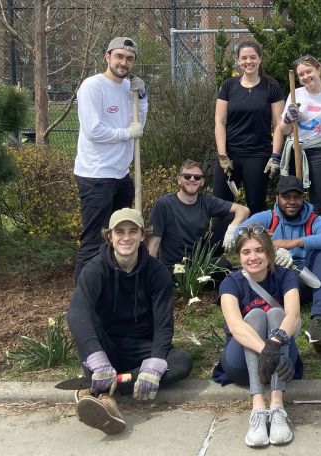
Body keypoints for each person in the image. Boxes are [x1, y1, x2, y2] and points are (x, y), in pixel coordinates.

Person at [67, 208, 193, 435]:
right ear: (110, 237)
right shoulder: (95, 270)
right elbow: (76, 313)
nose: (126, 238)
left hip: (140, 346)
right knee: (86, 322)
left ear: (143, 236)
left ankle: (101, 390)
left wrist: (155, 363)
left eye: (133, 231)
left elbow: (164, 324)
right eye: (119, 232)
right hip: (107, 346)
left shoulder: (157, 272)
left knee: (181, 361)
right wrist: (97, 357)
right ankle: (102, 384)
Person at [213, 226, 301, 447]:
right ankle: (258, 408)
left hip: (279, 363)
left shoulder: (286, 276)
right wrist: (269, 351)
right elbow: (235, 326)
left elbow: (294, 315)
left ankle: (277, 407)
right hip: (241, 362)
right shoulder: (231, 282)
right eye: (246, 252)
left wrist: (275, 343)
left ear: (270, 253)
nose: (253, 257)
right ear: (239, 256)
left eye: (259, 250)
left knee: (276, 313)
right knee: (253, 316)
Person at [73, 37, 148, 281]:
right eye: (119, 56)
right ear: (107, 57)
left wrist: (143, 98)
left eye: (129, 58)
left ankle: (111, 284)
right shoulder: (92, 86)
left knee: (119, 236)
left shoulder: (130, 88)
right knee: (95, 238)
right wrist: (126, 133)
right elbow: (94, 131)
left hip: (120, 175)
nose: (124, 62)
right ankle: (84, 297)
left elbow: (138, 124)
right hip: (96, 176)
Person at [236, 176, 321, 346]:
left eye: (297, 197)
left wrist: (296, 242)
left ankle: (317, 320)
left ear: (303, 198)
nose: (292, 201)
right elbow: (238, 234)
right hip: (278, 281)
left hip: (304, 280)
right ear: (277, 197)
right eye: (286, 197)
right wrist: (262, 238)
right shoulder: (269, 217)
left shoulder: (313, 219)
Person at [269, 54, 321, 223]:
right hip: (294, 151)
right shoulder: (295, 94)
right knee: (290, 202)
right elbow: (283, 129)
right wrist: (288, 118)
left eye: (308, 71)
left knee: (319, 204)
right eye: (301, 75)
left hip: (319, 153)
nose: (305, 77)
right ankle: (292, 240)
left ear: (319, 69)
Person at [214, 41, 285, 214]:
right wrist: (222, 155)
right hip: (230, 155)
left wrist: (275, 156)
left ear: (260, 59)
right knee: (220, 205)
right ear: (238, 61)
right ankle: (221, 240)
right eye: (244, 58)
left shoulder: (271, 86)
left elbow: (279, 125)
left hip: (258, 155)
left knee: (256, 204)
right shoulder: (228, 86)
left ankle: (256, 240)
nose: (248, 61)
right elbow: (219, 122)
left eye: (253, 57)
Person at [148, 159, 250, 272]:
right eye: (187, 176)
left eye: (197, 177)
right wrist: (151, 274)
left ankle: (242, 260)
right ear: (179, 180)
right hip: (175, 266)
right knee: (222, 267)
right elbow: (154, 243)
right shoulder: (163, 204)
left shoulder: (206, 200)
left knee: (231, 218)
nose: (192, 179)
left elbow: (244, 210)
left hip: (199, 259)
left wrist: (231, 229)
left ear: (202, 182)